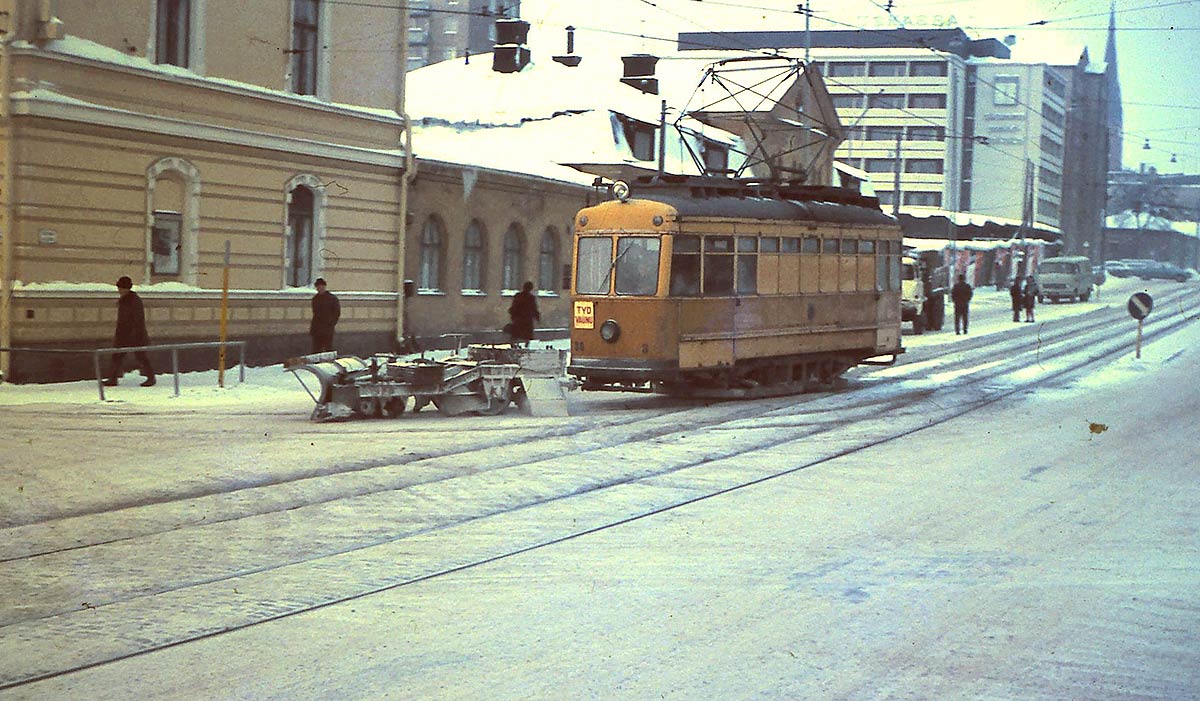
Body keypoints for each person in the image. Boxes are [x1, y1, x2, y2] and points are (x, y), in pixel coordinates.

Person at [104, 276, 155, 387]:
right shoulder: (125, 300)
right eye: (119, 288)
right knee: (117, 356)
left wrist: (135, 334)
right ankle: (113, 378)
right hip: (124, 334)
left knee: (141, 356)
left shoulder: (134, 300)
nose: (119, 290)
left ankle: (151, 378)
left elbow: (138, 319)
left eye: (121, 288)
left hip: (134, 334)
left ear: (127, 288)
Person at [310, 277, 341, 353]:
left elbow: (337, 312)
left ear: (324, 287)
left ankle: (329, 363)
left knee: (328, 348)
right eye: (317, 287)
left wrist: (331, 323)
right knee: (316, 348)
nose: (319, 289)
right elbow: (315, 313)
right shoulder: (315, 299)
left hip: (327, 328)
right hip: (317, 328)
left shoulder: (332, 298)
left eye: (321, 286)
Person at [507, 281, 540, 346]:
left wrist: (513, 315)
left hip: (518, 318)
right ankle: (526, 346)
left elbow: (514, 306)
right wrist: (537, 317)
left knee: (516, 333)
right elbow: (534, 308)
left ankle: (513, 345)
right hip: (527, 319)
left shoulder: (518, 296)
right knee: (527, 335)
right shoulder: (531, 298)